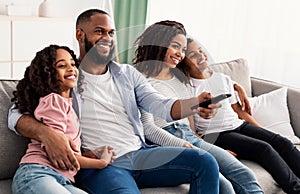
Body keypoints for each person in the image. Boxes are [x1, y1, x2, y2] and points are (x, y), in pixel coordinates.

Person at [8, 9, 222, 194]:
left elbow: (162, 106)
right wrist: (48, 134)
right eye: (99, 31)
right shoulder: (66, 77)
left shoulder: (127, 74)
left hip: (141, 155)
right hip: (104, 166)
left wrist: (195, 103)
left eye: (111, 33)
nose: (107, 38)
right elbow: (16, 113)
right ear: (80, 35)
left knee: (204, 162)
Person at [133, 20, 263, 194]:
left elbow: (207, 86)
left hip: (191, 137)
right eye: (175, 46)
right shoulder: (139, 78)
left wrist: (235, 86)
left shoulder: (180, 77)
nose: (180, 54)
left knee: (243, 173)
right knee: (225, 187)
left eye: (183, 50)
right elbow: (148, 127)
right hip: (166, 139)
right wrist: (186, 145)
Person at [179, 37, 300, 194]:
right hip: (216, 134)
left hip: (238, 125)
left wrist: (266, 132)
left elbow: (239, 111)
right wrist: (215, 150)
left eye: (201, 51)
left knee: (281, 142)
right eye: (193, 55)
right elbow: (191, 130)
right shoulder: (187, 89)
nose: (201, 56)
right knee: (264, 149)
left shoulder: (222, 78)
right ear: (184, 63)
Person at [11, 45, 115, 194]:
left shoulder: (68, 105)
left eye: (73, 64)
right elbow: (61, 153)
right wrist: (101, 163)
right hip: (37, 174)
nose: (71, 68)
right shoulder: (54, 102)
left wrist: (90, 153)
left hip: (63, 179)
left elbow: (68, 149)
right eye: (62, 65)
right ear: (48, 73)